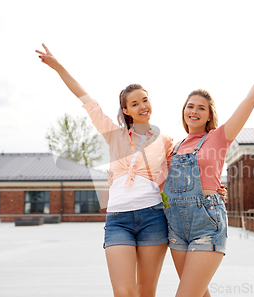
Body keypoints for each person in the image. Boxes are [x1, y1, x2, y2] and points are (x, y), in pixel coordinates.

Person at [35, 44, 226, 297]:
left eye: (145, 100)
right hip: (118, 220)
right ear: (126, 110)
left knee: (146, 291)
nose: (142, 106)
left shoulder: (167, 142)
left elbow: (184, 171)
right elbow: (87, 100)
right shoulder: (114, 136)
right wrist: (58, 66)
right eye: (135, 103)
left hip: (153, 218)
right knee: (124, 292)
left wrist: (213, 188)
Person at [163, 40, 254, 297]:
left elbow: (251, 99)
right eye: (190, 106)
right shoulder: (173, 147)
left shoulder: (219, 137)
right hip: (175, 225)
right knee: (199, 293)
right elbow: (162, 186)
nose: (194, 111)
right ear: (183, 111)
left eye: (201, 107)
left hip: (206, 224)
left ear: (209, 115)